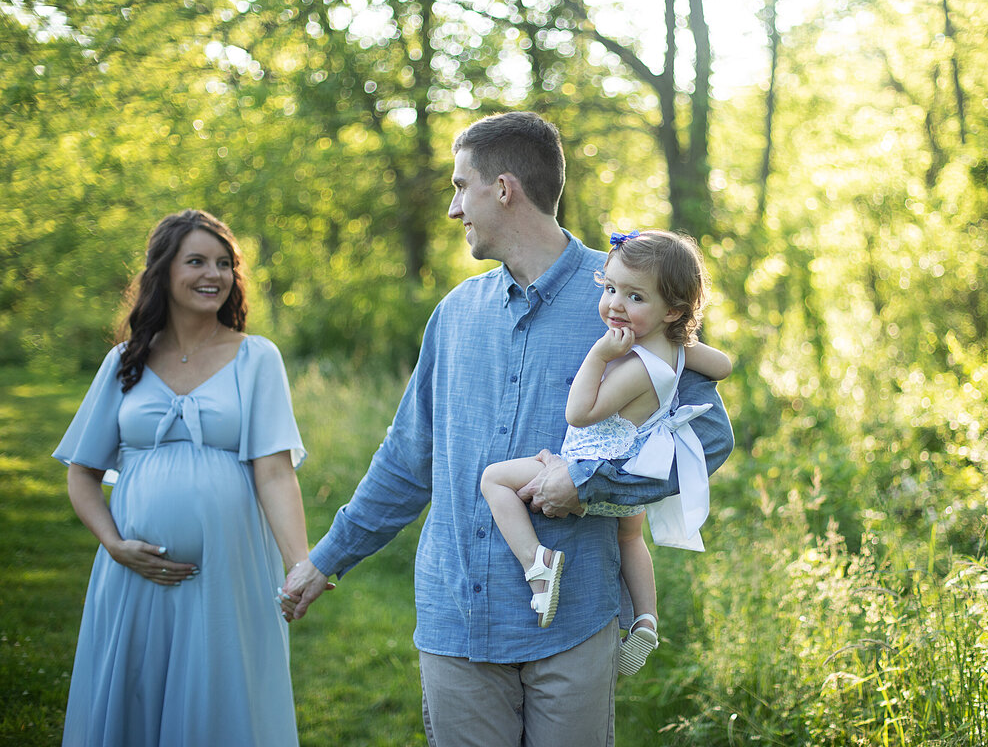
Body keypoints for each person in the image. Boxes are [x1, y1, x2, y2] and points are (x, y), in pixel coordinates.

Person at [280, 111, 734, 746]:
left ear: (503, 188)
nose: (451, 209)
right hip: (456, 616)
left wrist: (592, 486)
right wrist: (327, 558)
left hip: (574, 619)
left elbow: (708, 437)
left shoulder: (624, 299)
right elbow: (410, 458)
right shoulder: (455, 314)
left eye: (460, 186)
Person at [53, 209, 311, 747]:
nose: (212, 275)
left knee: (224, 702)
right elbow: (82, 472)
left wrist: (299, 565)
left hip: (229, 572)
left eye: (223, 264)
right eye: (195, 261)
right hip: (132, 573)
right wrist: (115, 545)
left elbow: (274, 473)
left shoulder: (256, 358)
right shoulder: (125, 362)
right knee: (134, 695)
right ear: (163, 272)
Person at [479, 229, 732, 679]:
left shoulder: (636, 367)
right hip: (632, 471)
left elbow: (580, 413)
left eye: (635, 297)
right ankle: (646, 617)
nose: (615, 304)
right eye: (611, 288)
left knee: (494, 479)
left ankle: (537, 563)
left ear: (672, 309)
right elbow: (724, 366)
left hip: (594, 469)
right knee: (630, 540)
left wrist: (598, 356)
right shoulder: (671, 350)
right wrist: (677, 339)